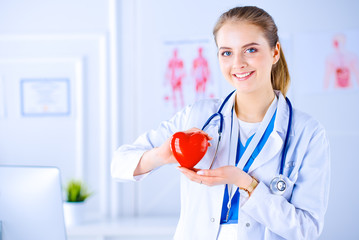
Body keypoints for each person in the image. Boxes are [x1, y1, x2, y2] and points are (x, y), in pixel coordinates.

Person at [111, 6, 330, 240]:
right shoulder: (198, 116)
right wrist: (161, 155)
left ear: (275, 52)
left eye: (251, 50)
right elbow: (119, 164)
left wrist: (246, 184)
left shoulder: (307, 132)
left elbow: (307, 229)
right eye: (227, 53)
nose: (238, 63)